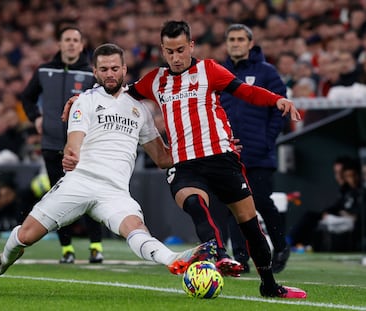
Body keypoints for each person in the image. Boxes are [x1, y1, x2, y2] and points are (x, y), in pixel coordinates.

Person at [0, 43, 216, 279]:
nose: (110, 74)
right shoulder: (84, 101)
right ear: (95, 72)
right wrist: (71, 153)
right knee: (26, 236)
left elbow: (163, 158)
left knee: (136, 228)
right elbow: (75, 139)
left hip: (114, 191)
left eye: (115, 68)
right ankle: (5, 258)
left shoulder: (140, 109)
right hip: (80, 182)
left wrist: (208, 147)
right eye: (104, 69)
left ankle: (173, 259)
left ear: (125, 69)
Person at [125, 20, 306, 299]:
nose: (175, 57)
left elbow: (244, 91)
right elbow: (121, 96)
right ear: (162, 50)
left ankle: (269, 285)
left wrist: (276, 100)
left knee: (249, 224)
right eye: (169, 51)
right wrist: (84, 99)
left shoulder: (209, 69)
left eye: (180, 50)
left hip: (222, 158)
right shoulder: (155, 80)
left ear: (191, 46)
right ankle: (219, 253)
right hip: (185, 164)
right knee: (195, 202)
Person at [21, 25, 104, 264]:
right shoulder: (44, 70)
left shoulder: (91, 74)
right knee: (57, 199)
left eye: (75, 40)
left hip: (82, 147)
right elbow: (26, 97)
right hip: (50, 145)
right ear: (59, 44)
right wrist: (35, 117)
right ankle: (66, 249)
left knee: (88, 196)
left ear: (81, 45)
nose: (70, 44)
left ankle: (95, 246)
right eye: (66, 39)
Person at [219, 24, 290, 274]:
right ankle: (241, 258)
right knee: (233, 205)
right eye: (231, 39)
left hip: (259, 152)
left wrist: (267, 140)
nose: (235, 43)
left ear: (251, 43)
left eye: (240, 39)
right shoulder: (220, 72)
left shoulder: (267, 73)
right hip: (229, 153)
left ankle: (281, 246)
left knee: (261, 202)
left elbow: (281, 110)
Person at [288, 157, 362, 251]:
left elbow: (356, 213)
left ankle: (299, 244)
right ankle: (293, 242)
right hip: (341, 219)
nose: (340, 177)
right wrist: (326, 213)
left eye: (351, 175)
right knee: (312, 217)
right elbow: (337, 206)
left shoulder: (360, 190)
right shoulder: (346, 190)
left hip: (352, 222)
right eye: (347, 176)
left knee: (320, 221)